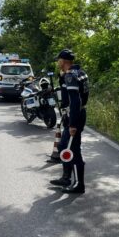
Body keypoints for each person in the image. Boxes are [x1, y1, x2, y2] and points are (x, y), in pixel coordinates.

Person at [49, 49, 89, 194]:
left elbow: (75, 101)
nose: (57, 62)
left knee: (74, 151)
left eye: (59, 60)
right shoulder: (79, 72)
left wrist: (72, 124)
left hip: (75, 115)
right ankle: (66, 178)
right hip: (73, 115)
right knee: (63, 147)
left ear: (64, 61)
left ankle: (79, 185)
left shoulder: (71, 76)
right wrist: (62, 77)